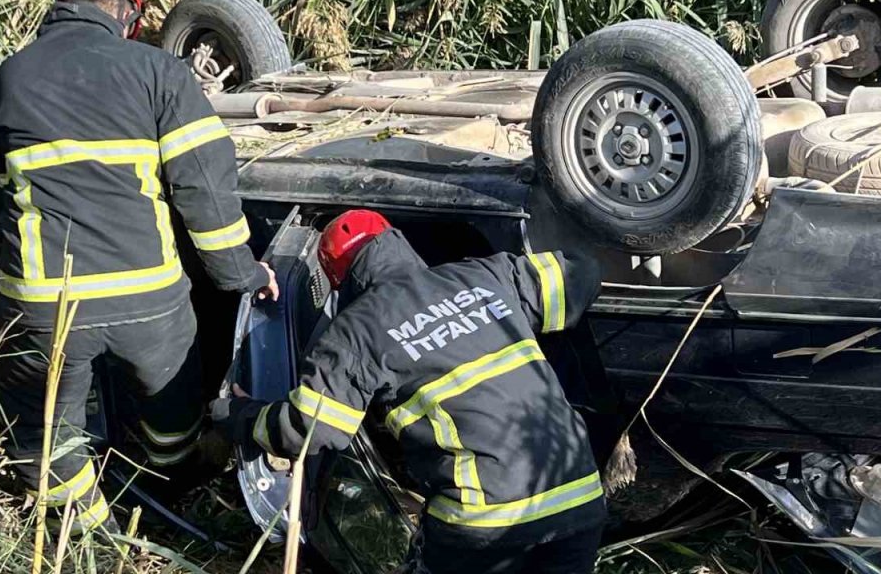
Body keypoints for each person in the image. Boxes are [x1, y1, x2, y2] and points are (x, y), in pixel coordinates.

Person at [0, 0, 279, 536]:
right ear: (128, 15)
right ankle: (170, 494)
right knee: (172, 416)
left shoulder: (5, 80)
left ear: (60, 4)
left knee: (47, 437)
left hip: (46, 304)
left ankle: (88, 542)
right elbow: (204, 189)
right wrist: (242, 274)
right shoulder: (156, 72)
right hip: (148, 297)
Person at [211, 210, 607, 574]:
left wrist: (239, 415)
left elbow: (309, 429)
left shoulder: (357, 331)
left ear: (339, 280)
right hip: (578, 495)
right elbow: (582, 273)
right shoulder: (488, 275)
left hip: (484, 518)